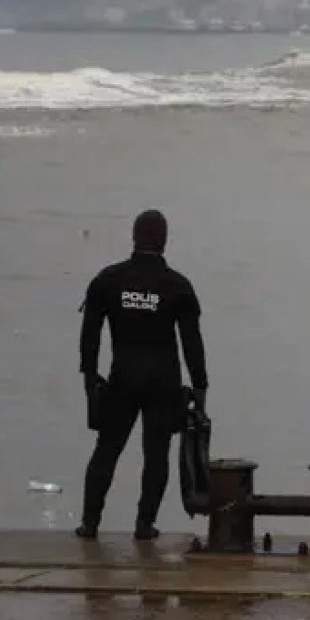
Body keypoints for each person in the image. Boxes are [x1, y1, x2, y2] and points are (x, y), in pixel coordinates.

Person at [76, 209, 208, 540]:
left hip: (122, 378)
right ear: (164, 240)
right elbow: (192, 344)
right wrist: (201, 390)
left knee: (107, 449)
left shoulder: (109, 280)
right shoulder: (177, 286)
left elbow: (89, 332)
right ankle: (144, 524)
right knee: (157, 454)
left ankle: (90, 524)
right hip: (163, 382)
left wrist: (89, 378)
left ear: (134, 238)